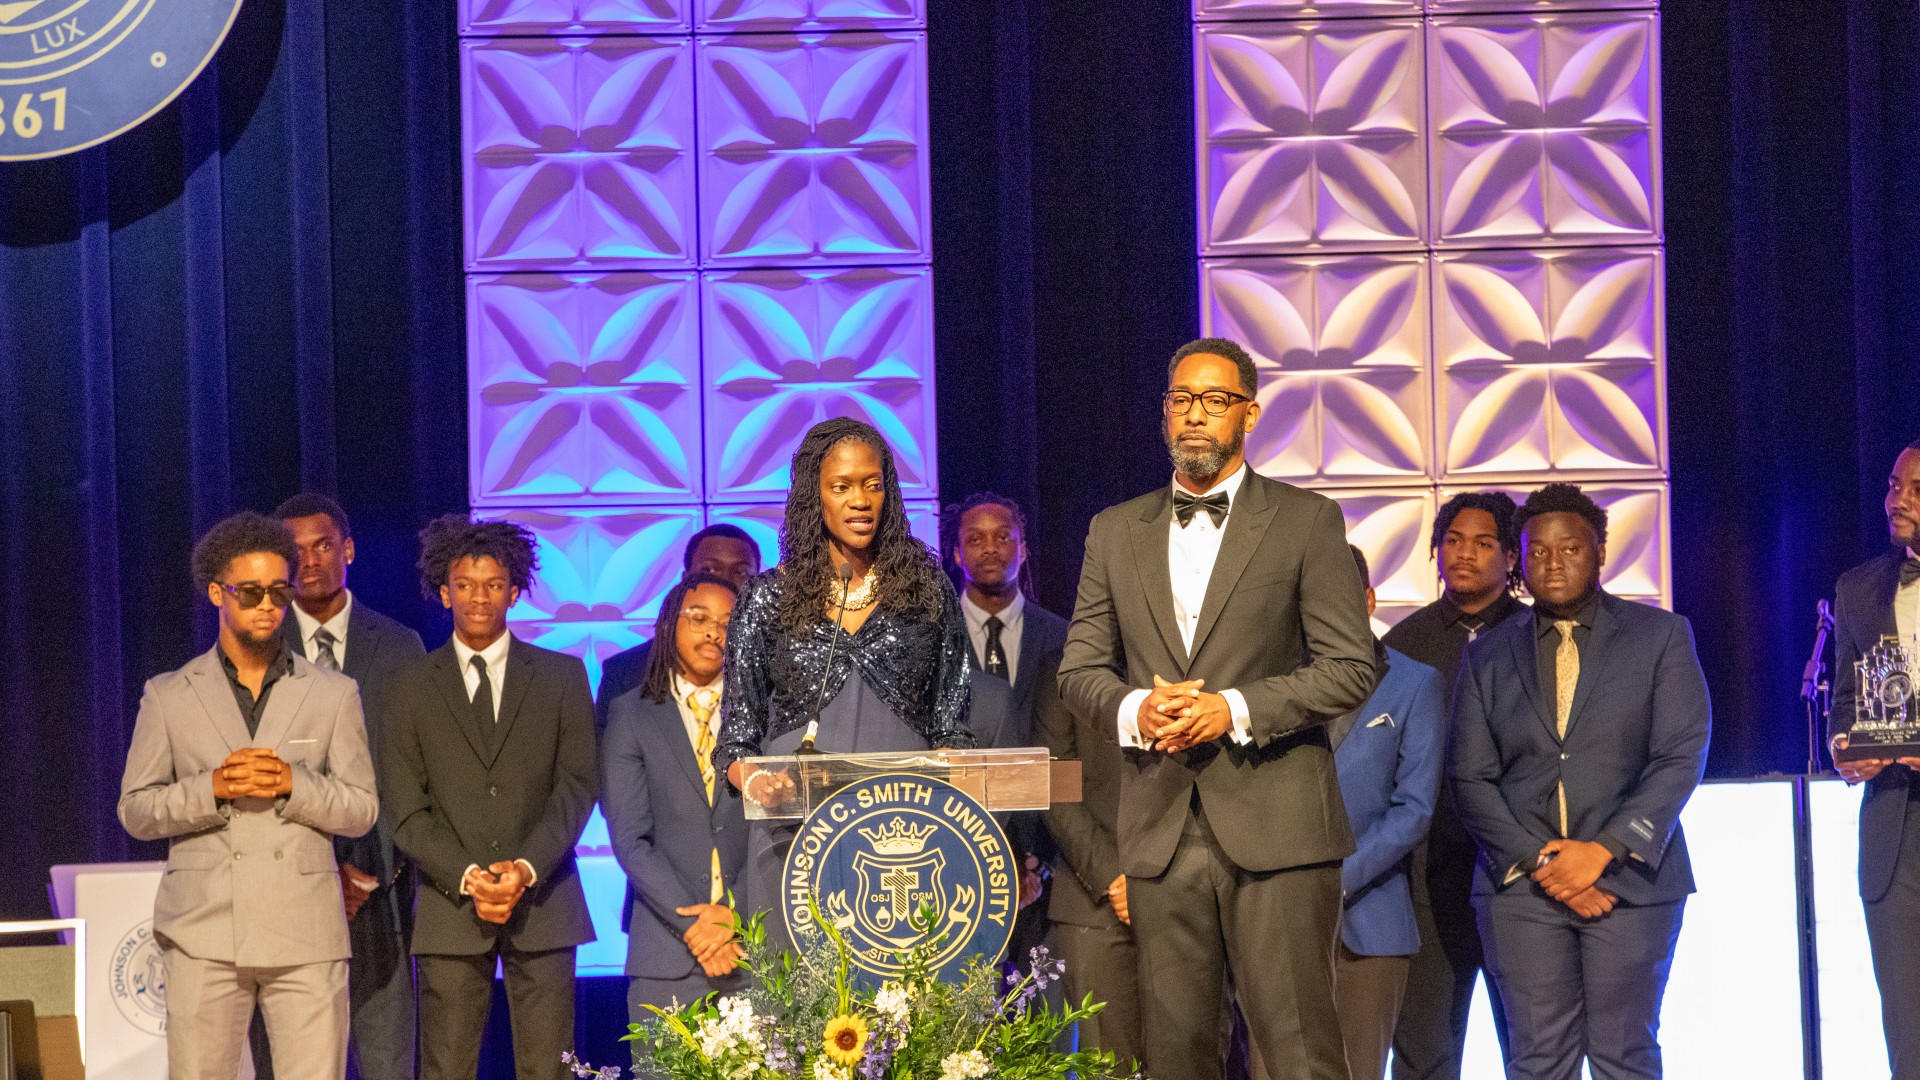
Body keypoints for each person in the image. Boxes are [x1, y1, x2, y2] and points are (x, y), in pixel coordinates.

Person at [1057, 337, 1378, 1080]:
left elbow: (1349, 666)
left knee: (1300, 1054)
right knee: (1176, 1058)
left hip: (1280, 830)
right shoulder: (1114, 529)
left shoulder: (1306, 520)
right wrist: (1138, 707)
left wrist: (1231, 707)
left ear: (1250, 414)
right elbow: (1080, 669)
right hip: (1161, 829)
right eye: (1180, 400)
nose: (1194, 416)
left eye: (1213, 400)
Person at [1451, 483, 1710, 1080]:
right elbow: (1470, 776)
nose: (1553, 561)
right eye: (1537, 551)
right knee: (1539, 1061)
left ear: (1599, 552)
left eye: (1569, 548)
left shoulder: (1660, 636)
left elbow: (1679, 755)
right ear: (1519, 559)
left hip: (1632, 881)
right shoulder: (1487, 654)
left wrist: (1601, 852)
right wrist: (1546, 864)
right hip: (1520, 890)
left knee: (1625, 1057)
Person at [118, 512, 379, 1080]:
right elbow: (136, 809)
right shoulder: (169, 695)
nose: (268, 605)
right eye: (251, 592)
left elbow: (361, 808)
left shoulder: (333, 693)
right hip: (203, 929)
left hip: (305, 930)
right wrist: (210, 788)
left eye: (280, 591)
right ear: (218, 593)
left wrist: (294, 784)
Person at [715, 417, 974, 936]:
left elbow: (953, 728)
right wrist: (755, 779)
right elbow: (736, 741)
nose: (860, 500)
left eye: (872, 485)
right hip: (794, 841)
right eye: (842, 487)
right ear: (816, 497)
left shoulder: (928, 594)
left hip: (904, 842)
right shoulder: (767, 599)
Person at [383, 517, 598, 1080]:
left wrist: (525, 868)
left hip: (545, 901)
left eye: (494, 583)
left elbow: (578, 785)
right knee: (446, 1068)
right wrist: (470, 875)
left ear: (515, 589)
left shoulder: (562, 676)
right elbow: (405, 807)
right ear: (444, 589)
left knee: (549, 1069)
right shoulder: (410, 685)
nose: (479, 597)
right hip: (450, 907)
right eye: (466, 583)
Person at [242, 493, 427, 1080]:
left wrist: (368, 871)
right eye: (292, 552)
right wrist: (322, 870)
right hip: (286, 894)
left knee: (387, 1061)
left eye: (322, 545)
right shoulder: (254, 650)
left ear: (347, 549)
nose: (309, 562)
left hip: (382, 893)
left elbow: (410, 770)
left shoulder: (400, 648)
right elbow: (253, 770)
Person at [1382, 491, 1527, 1080]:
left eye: (1484, 542)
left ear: (1512, 557)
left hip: (1519, 873)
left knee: (1535, 1049)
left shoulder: (1537, 637)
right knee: (1423, 1053)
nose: (1464, 553)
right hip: (1425, 877)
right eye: (1453, 540)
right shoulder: (1401, 644)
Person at [600, 573, 750, 1063]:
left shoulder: (765, 716)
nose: (713, 632)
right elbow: (630, 839)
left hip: (755, 948)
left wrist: (734, 914)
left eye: (728, 623)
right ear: (669, 625)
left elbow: (780, 833)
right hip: (665, 953)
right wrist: (698, 926)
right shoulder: (632, 715)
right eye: (699, 618)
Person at [1330, 545, 1445, 1080]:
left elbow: (1414, 807)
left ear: (1370, 599)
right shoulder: (1269, 684)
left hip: (1370, 919)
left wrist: (1337, 878)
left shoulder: (1414, 683)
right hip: (1276, 920)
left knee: (1359, 1070)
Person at [1828, 438, 1920, 1080]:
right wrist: (1845, 748)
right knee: (1908, 1026)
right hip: (1894, 829)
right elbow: (1844, 697)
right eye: (1894, 483)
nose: (1898, 498)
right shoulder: (1858, 588)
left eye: (1915, 487)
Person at [947, 492, 1069, 959]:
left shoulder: (1066, 637)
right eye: (975, 539)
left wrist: (1038, 858)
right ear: (957, 553)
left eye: (1004, 537)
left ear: (1024, 548)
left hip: (1051, 857)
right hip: (958, 856)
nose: (991, 548)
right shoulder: (931, 640)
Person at [1035, 664, 1142, 1071]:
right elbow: (1056, 790)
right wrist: (1115, 877)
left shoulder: (1188, 650)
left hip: (1187, 890)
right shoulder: (1062, 671)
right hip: (1095, 906)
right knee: (1109, 1065)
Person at [597, 524, 762, 728]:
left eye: (741, 572)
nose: (724, 581)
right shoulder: (625, 672)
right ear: (685, 579)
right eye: (709, 569)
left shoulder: (774, 665)